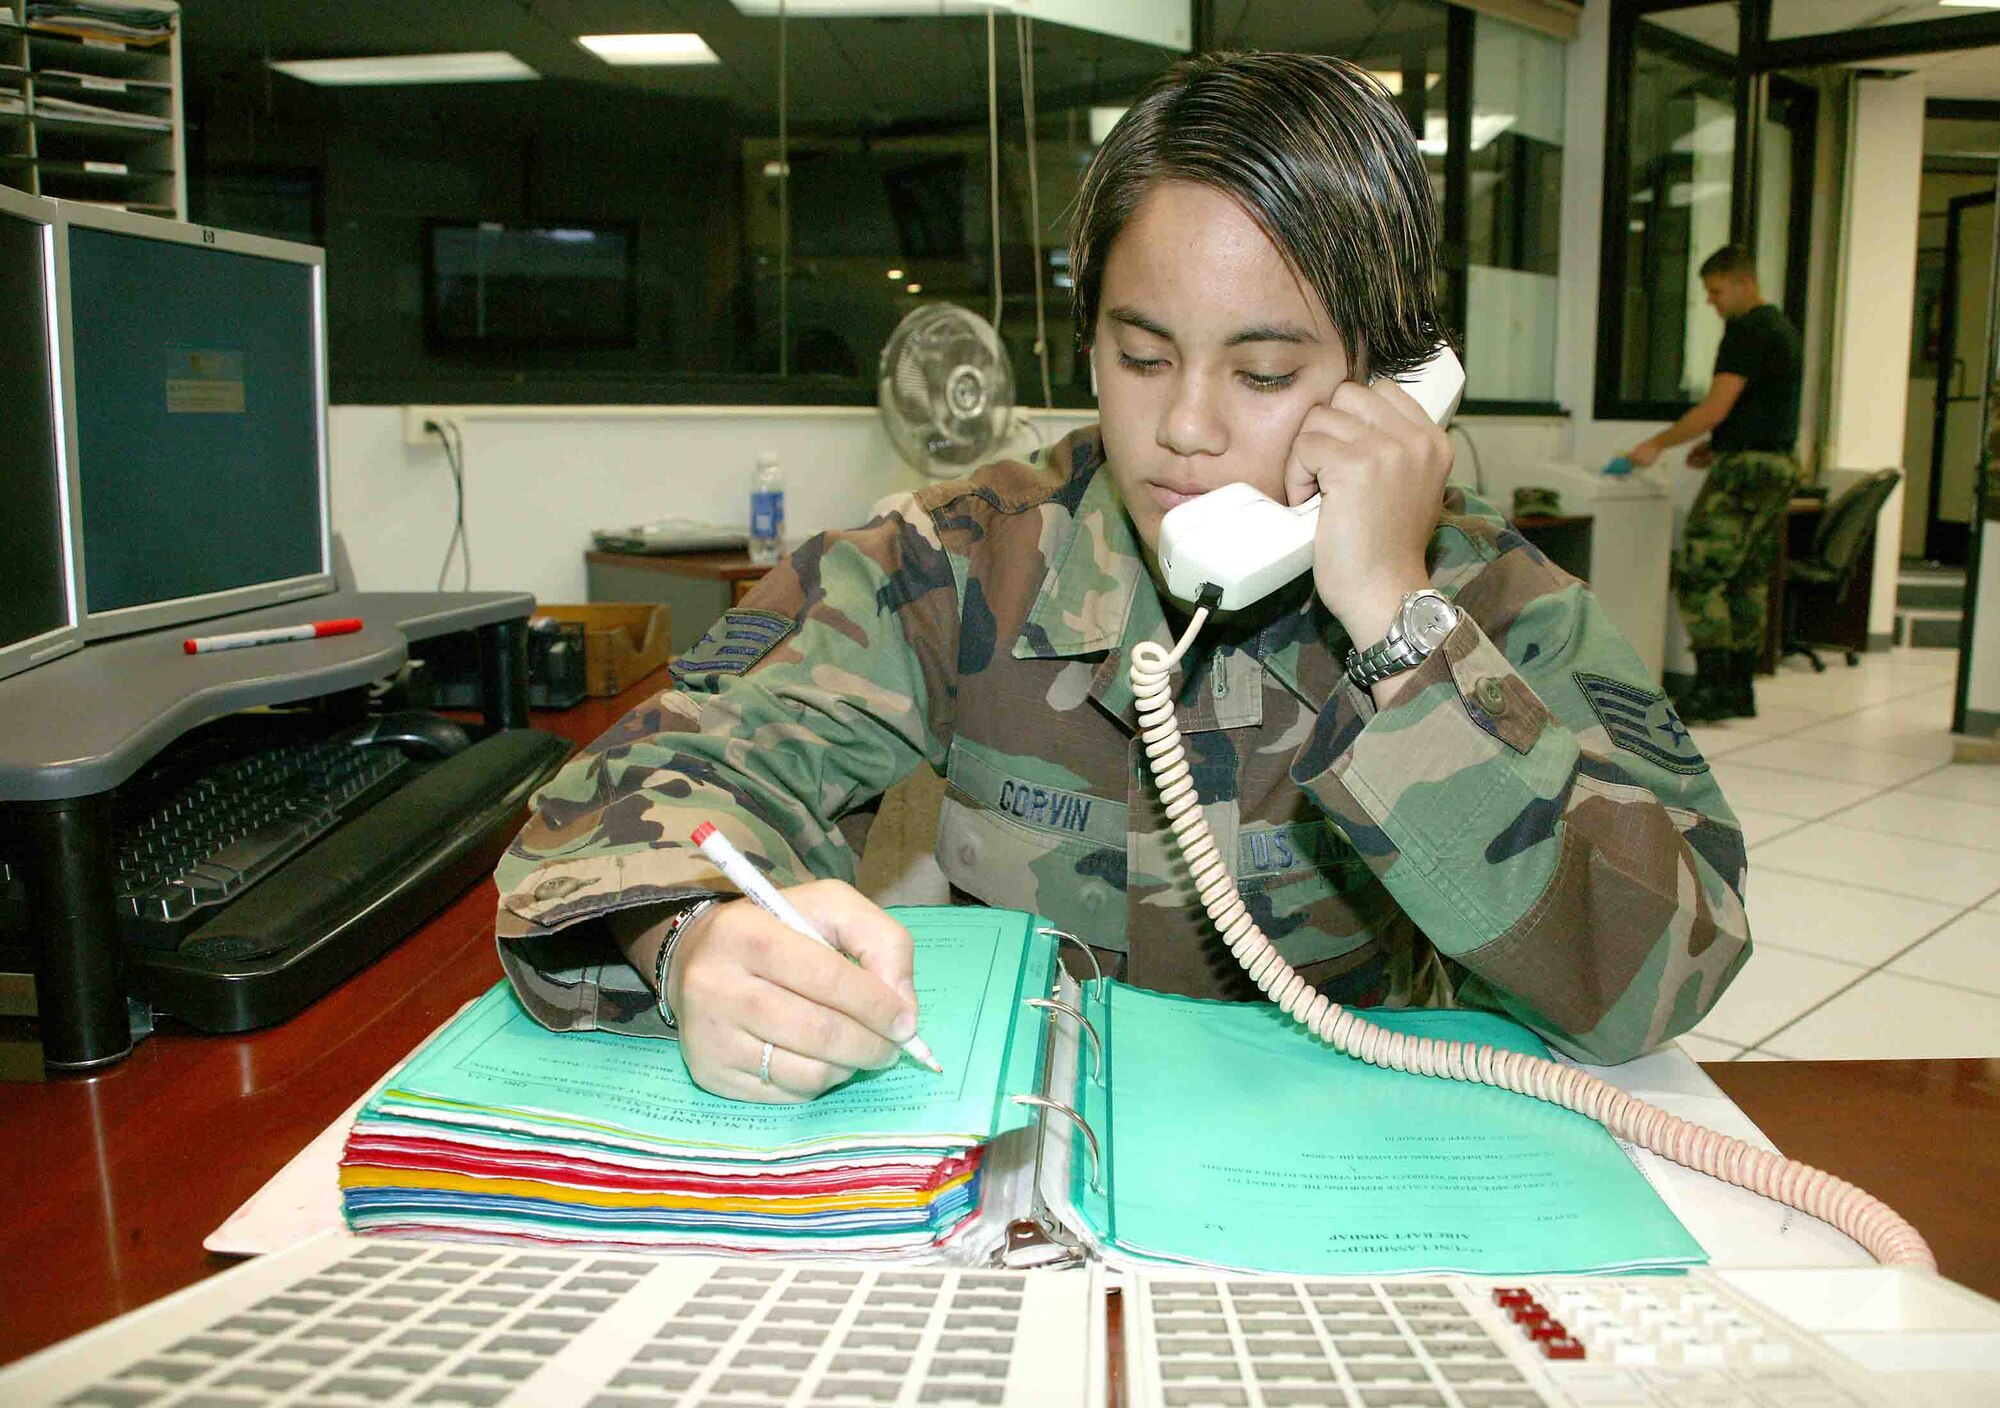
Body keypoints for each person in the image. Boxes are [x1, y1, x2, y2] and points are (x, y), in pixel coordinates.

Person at [493, 52, 1752, 1104]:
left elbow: (1673, 967)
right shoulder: (960, 559)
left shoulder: (1489, 601)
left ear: (1392, 384)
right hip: (1022, 1164)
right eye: (1140, 355)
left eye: (1263, 376)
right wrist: (690, 943)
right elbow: (639, 782)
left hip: (1349, 1169)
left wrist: (1393, 622)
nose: (1185, 427)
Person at [1627, 245, 1804, 723]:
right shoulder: (1782, 330)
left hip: (1746, 472)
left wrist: (1657, 444)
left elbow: (1714, 408)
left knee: (1698, 574)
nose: (1712, 302)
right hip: (1777, 466)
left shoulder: (1746, 331)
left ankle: (1708, 689)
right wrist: (1722, 444)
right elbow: (1762, 408)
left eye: (1715, 291)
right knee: (1747, 578)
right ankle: (1739, 689)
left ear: (1743, 282)